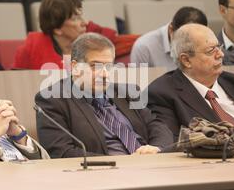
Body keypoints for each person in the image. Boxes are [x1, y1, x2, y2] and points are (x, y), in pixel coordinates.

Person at [35, 32, 174, 158]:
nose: (104, 74)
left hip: (149, 165)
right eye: (95, 66)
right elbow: (62, 152)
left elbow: (157, 125)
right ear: (75, 67)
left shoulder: (128, 93)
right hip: (102, 175)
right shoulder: (52, 100)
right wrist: (119, 162)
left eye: (109, 66)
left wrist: (156, 148)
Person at [13, 0, 116, 70]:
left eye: (80, 16)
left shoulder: (89, 45)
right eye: (75, 18)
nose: (84, 23)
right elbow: (17, 79)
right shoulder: (33, 45)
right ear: (57, 28)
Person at [131, 6, 208, 70]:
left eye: (194, 40)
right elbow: (138, 86)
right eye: (185, 39)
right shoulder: (144, 47)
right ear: (171, 29)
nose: (188, 46)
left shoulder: (207, 44)